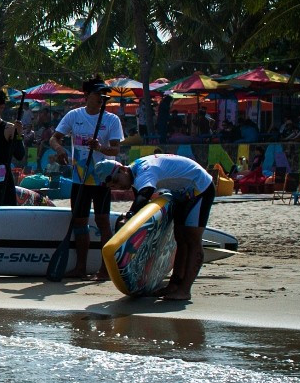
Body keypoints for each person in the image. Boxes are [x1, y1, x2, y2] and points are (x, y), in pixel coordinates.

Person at [104, 154, 215, 301]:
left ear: (123, 169)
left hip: (200, 188)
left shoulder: (145, 170)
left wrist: (128, 217)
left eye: (117, 181)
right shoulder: (136, 172)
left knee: (192, 239)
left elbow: (144, 194)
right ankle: (174, 284)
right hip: (182, 192)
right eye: (113, 187)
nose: (119, 187)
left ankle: (185, 290)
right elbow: (141, 197)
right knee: (180, 237)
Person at [53, 79, 126, 279]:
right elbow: (54, 138)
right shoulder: (74, 116)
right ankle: (81, 267)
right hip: (80, 179)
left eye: (104, 95)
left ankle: (105, 269)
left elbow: (116, 149)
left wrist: (100, 148)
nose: (101, 99)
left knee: (103, 222)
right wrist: (60, 150)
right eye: (97, 94)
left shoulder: (111, 120)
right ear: (87, 96)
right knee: (79, 222)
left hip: (102, 180)